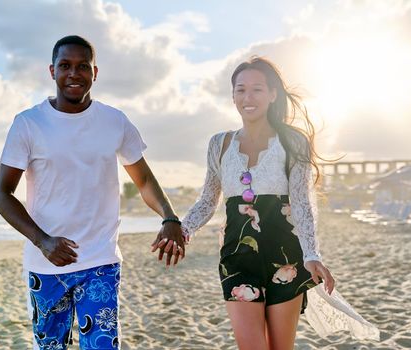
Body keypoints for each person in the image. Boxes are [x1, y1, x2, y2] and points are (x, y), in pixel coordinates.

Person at [152, 56, 378, 349]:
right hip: (237, 256)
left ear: (272, 95)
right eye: (241, 89)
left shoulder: (294, 142)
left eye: (257, 89)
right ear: (233, 96)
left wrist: (312, 254)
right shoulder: (219, 144)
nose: (248, 97)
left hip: (287, 256)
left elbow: (302, 204)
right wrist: (180, 229)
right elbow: (208, 200)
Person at [0, 35, 185, 350]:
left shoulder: (114, 121)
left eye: (83, 66)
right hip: (47, 265)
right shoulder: (28, 124)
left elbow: (145, 181)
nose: (74, 74)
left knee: (102, 346)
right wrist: (43, 241)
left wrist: (169, 216)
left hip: (101, 260)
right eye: (65, 66)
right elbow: (2, 194)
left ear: (94, 73)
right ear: (51, 71)